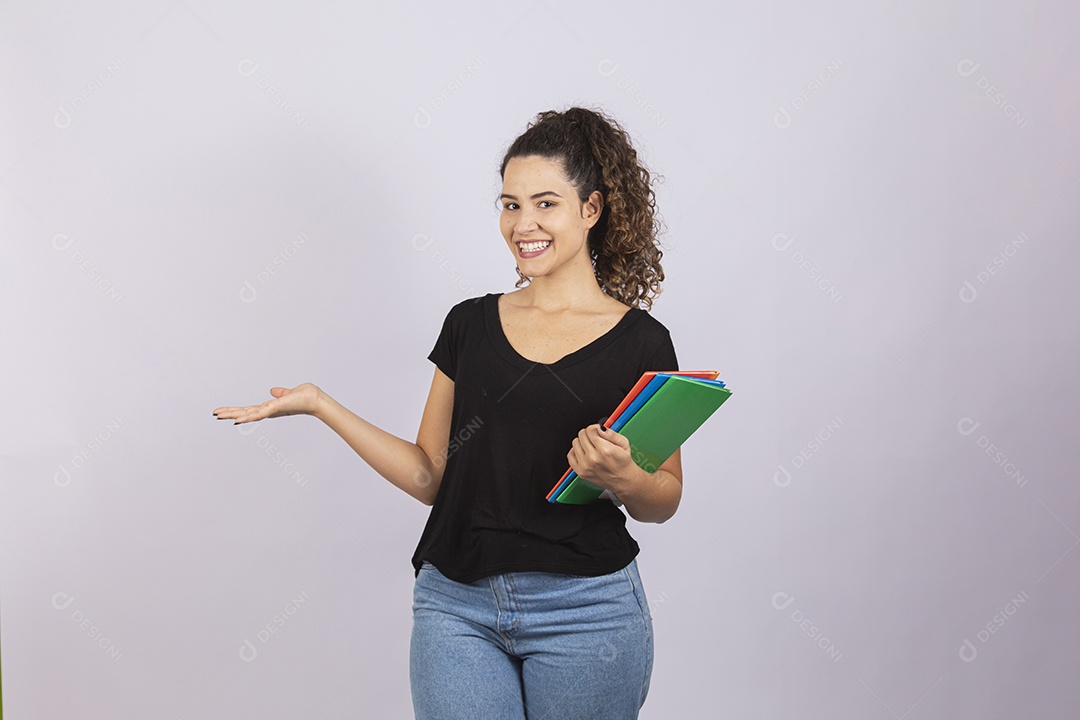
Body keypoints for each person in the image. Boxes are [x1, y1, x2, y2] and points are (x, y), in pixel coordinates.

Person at [213, 106, 682, 719]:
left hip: (587, 609)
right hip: (456, 605)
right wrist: (321, 405)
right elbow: (430, 475)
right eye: (510, 205)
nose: (523, 224)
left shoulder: (642, 343)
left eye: (545, 203)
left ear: (590, 210)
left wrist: (624, 478)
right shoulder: (470, 324)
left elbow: (664, 499)